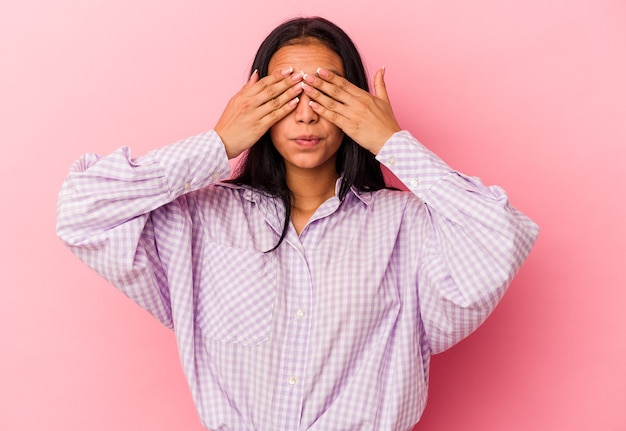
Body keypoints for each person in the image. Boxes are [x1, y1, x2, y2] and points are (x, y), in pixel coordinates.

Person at [56, 16, 539, 431]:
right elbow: (80, 212)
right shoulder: (197, 221)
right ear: (254, 101)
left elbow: (502, 238)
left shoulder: (407, 228)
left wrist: (393, 143)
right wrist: (218, 142)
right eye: (286, 92)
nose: (306, 114)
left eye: (326, 93)